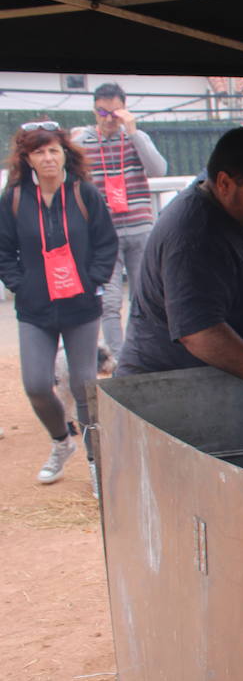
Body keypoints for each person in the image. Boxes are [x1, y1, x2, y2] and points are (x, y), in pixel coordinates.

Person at [116, 126, 243, 420]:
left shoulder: (229, 212)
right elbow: (198, 332)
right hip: (169, 400)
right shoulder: (193, 235)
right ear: (224, 182)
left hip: (207, 393)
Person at [0, 122, 117, 489]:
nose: (48, 158)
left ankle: (97, 460)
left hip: (80, 306)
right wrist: (21, 285)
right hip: (35, 308)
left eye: (53, 150)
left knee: (84, 384)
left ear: (65, 152)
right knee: (35, 383)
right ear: (27, 158)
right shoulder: (15, 198)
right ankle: (60, 441)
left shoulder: (84, 193)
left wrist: (92, 281)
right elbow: (4, 250)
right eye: (39, 152)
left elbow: (105, 243)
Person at [70, 82, 167, 359]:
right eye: (103, 112)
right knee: (109, 301)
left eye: (115, 112)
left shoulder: (135, 138)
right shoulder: (83, 142)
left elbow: (158, 169)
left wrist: (134, 132)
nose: (109, 119)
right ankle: (118, 358)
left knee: (144, 298)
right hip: (104, 235)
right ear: (93, 110)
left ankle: (143, 354)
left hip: (140, 229)